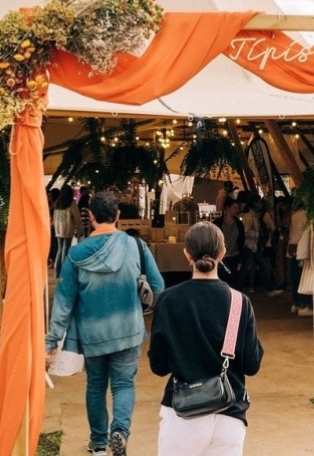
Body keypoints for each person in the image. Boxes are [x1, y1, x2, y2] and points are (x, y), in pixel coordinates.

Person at [45, 191, 165, 456]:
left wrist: (52, 341)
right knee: (124, 384)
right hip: (128, 330)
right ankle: (120, 431)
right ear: (118, 216)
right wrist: (141, 297)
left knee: (96, 386)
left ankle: (98, 443)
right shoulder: (136, 246)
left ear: (90, 216)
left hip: (92, 334)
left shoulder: (75, 255)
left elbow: (63, 302)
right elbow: (158, 286)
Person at [148, 221, 263, 456]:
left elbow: (158, 366)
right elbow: (252, 365)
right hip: (229, 416)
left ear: (186, 254)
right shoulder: (240, 303)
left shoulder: (169, 300)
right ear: (222, 253)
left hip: (182, 415)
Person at [213, 197, 244, 289]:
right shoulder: (218, 222)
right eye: (234, 208)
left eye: (237, 208)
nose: (236, 210)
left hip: (234, 255)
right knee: (222, 278)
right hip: (222, 256)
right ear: (227, 208)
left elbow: (241, 238)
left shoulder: (238, 223)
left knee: (232, 278)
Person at [52, 184, 81, 277]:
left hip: (58, 229)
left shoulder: (57, 203)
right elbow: (77, 217)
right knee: (65, 249)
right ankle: (64, 272)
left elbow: (55, 217)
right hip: (67, 229)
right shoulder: (71, 203)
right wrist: (80, 229)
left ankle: (57, 271)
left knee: (60, 249)